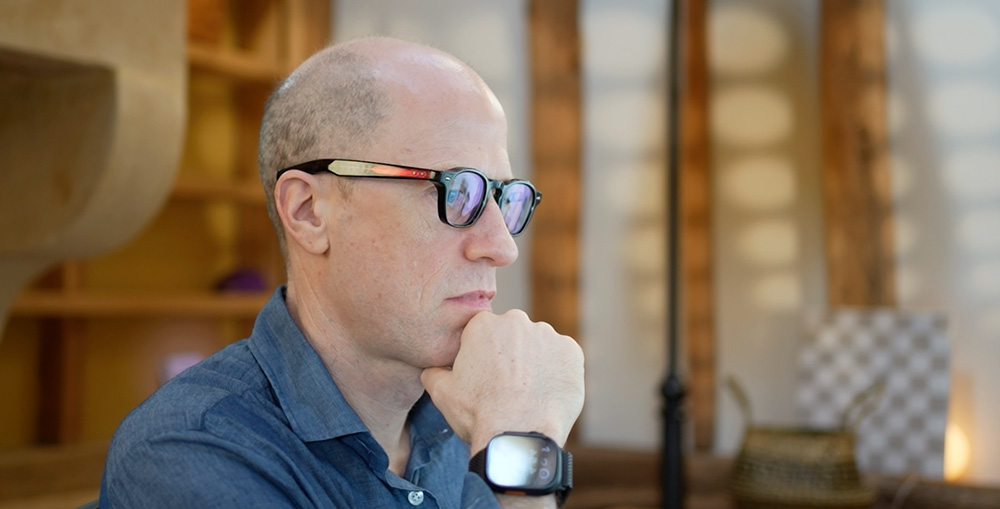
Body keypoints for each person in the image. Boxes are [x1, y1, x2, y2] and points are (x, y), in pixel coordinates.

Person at [99, 37, 585, 508]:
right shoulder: (192, 450)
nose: (502, 248)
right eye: (457, 191)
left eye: (505, 198)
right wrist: (520, 454)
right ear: (309, 211)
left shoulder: (471, 414)